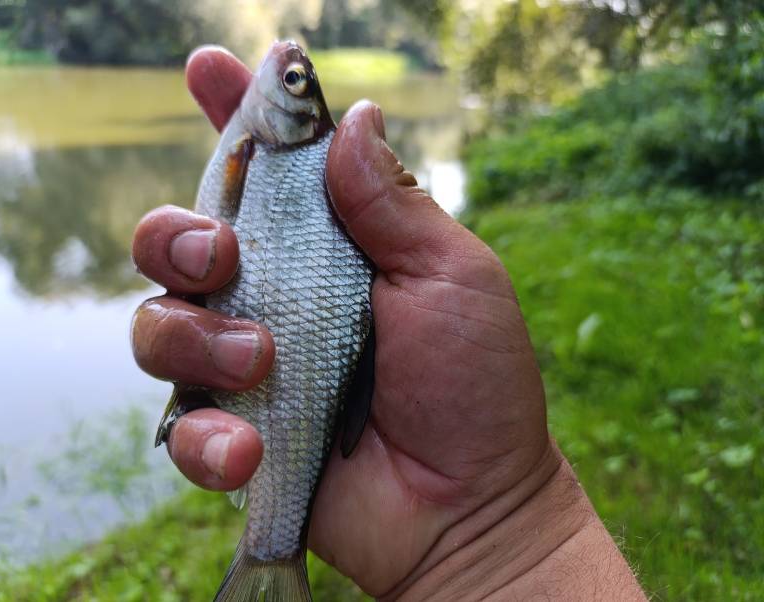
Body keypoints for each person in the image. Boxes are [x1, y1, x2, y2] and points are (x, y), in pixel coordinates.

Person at [130, 46, 647, 600]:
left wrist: (504, 520)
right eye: (295, 78)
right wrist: (505, 537)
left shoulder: (274, 151)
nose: (286, 75)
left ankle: (271, 551)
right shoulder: (276, 149)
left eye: (295, 79)